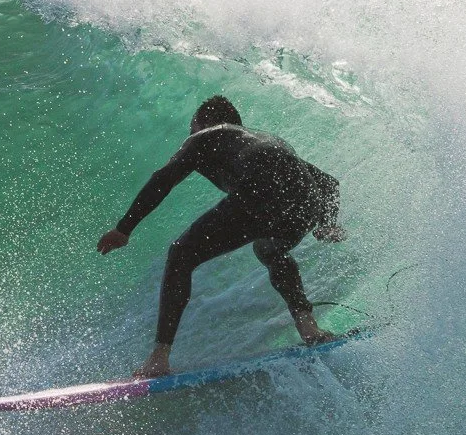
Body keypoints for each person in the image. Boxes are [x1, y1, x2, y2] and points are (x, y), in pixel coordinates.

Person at [98, 95, 346, 378]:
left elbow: (163, 179)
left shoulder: (205, 136)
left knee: (181, 253)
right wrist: (328, 224)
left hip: (260, 188)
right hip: (305, 202)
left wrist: (124, 228)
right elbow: (329, 183)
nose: (190, 134)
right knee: (269, 250)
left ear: (203, 122)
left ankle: (159, 359)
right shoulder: (263, 140)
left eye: (192, 127)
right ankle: (308, 327)